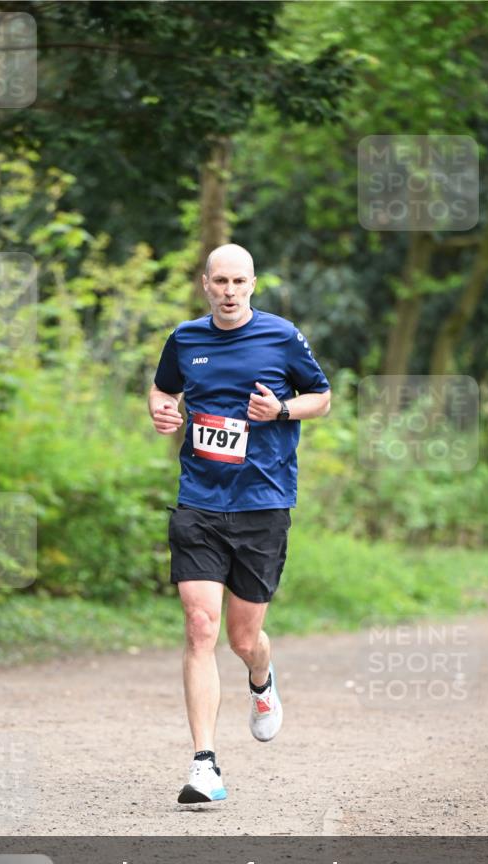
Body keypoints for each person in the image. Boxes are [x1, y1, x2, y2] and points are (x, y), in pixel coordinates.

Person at [149, 243, 331, 804]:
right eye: (220, 281)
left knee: (243, 639)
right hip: (199, 501)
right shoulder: (185, 339)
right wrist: (160, 407)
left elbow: (322, 398)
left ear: (253, 284)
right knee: (200, 627)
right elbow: (163, 387)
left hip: (262, 504)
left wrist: (281, 410)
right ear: (205, 284)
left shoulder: (281, 336)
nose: (229, 291)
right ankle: (204, 764)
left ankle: (261, 677)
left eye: (239, 281)